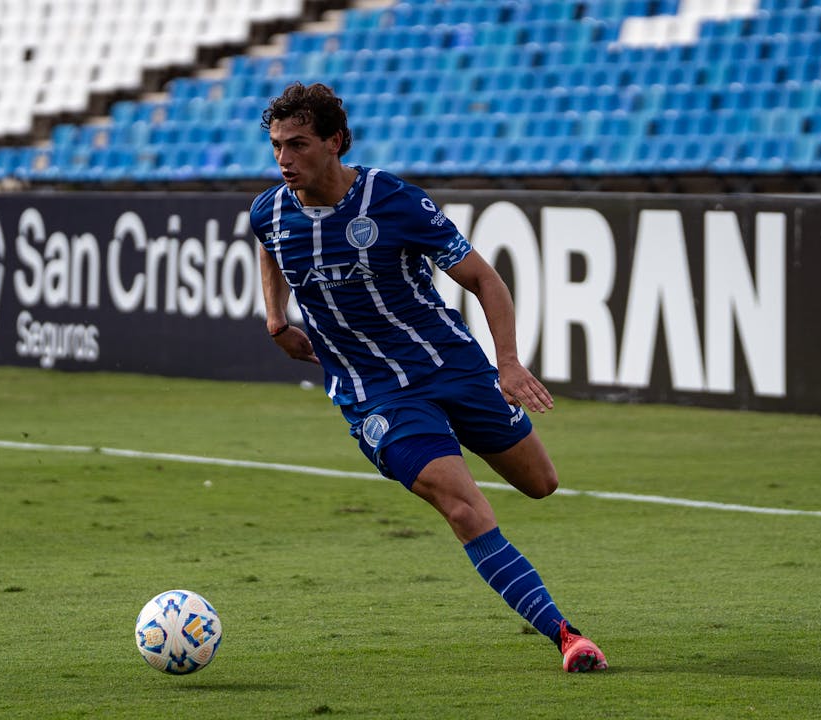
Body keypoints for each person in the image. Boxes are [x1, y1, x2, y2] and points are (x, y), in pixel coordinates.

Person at [250, 82, 608, 673]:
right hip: (375, 396)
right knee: (464, 507)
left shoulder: (394, 201)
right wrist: (274, 317)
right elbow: (269, 245)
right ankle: (567, 636)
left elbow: (485, 281)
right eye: (276, 147)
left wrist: (509, 363)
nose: (285, 159)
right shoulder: (271, 209)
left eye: (299, 144)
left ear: (336, 142)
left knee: (541, 483)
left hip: (452, 367)